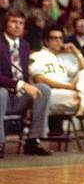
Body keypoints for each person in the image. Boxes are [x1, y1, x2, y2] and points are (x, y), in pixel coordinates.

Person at [29, 24, 84, 154]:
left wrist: (77, 52)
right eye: (54, 38)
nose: (59, 41)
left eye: (61, 38)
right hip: (48, 96)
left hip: (68, 95)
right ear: (46, 41)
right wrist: (68, 86)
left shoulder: (63, 59)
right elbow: (39, 79)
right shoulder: (38, 56)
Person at [0, 9, 51, 157]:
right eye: (13, 22)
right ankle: (0, 142)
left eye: (21, 23)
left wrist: (28, 88)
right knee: (0, 92)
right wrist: (22, 85)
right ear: (5, 24)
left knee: (43, 89)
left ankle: (33, 141)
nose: (17, 26)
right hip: (3, 96)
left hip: (18, 97)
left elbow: (24, 74)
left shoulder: (24, 45)